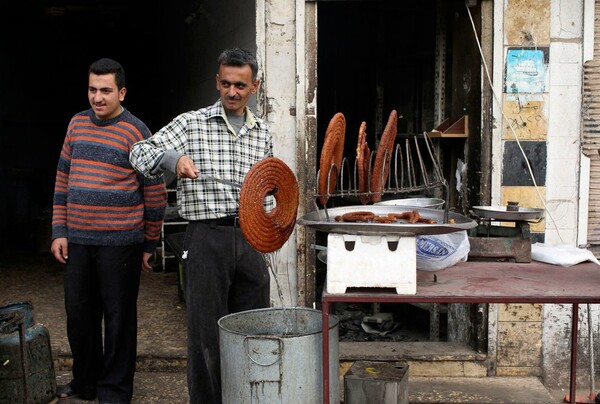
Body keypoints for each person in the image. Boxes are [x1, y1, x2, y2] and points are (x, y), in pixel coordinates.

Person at [129, 48, 272, 404]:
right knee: (206, 334)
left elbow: (267, 190)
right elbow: (138, 152)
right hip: (206, 238)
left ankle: (247, 398)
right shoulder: (191, 123)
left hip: (251, 237)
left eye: (240, 85)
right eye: (226, 83)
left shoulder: (262, 133)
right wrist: (173, 159)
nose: (232, 92)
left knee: (253, 328)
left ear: (254, 86)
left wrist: (274, 216)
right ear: (217, 82)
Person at [50, 58, 167, 404]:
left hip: (121, 243)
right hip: (79, 241)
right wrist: (59, 229)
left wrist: (150, 239)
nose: (97, 98)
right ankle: (85, 382)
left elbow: (155, 189)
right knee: (79, 316)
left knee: (118, 319)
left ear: (122, 92)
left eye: (105, 90)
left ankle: (114, 390)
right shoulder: (75, 125)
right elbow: (61, 180)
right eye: (92, 89)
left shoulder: (136, 131)